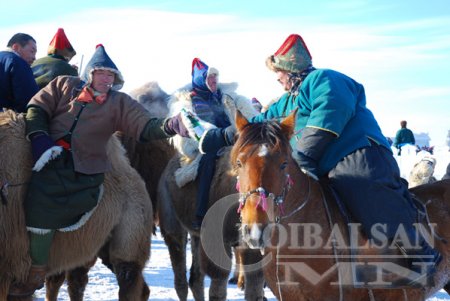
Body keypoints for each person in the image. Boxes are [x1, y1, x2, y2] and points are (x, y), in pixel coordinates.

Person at [249, 34, 441, 286]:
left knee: (365, 192)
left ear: (291, 69)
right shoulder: (289, 101)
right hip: (323, 165)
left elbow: (332, 110)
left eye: (280, 72)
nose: (278, 78)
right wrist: (224, 134)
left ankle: (421, 256)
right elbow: (260, 122)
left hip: (360, 154)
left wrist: (303, 154)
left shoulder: (324, 79)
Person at [8, 44, 188, 297]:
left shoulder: (118, 103)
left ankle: (37, 268)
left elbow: (145, 126)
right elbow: (38, 107)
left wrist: (170, 125)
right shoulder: (63, 85)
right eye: (102, 73)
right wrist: (39, 139)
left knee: (42, 201)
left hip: (85, 166)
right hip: (47, 154)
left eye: (111, 75)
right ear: (90, 73)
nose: (107, 79)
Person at [187, 58, 235, 229]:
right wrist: (227, 133)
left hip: (228, 137)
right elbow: (207, 124)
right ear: (201, 81)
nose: (214, 81)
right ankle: (201, 214)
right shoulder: (197, 99)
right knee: (208, 164)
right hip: (209, 142)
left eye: (215, 78)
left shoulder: (219, 96)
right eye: (209, 78)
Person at [0, 33, 39, 112]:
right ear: (16, 47)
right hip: (7, 120)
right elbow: (30, 99)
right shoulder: (18, 62)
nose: (34, 58)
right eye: (32, 51)